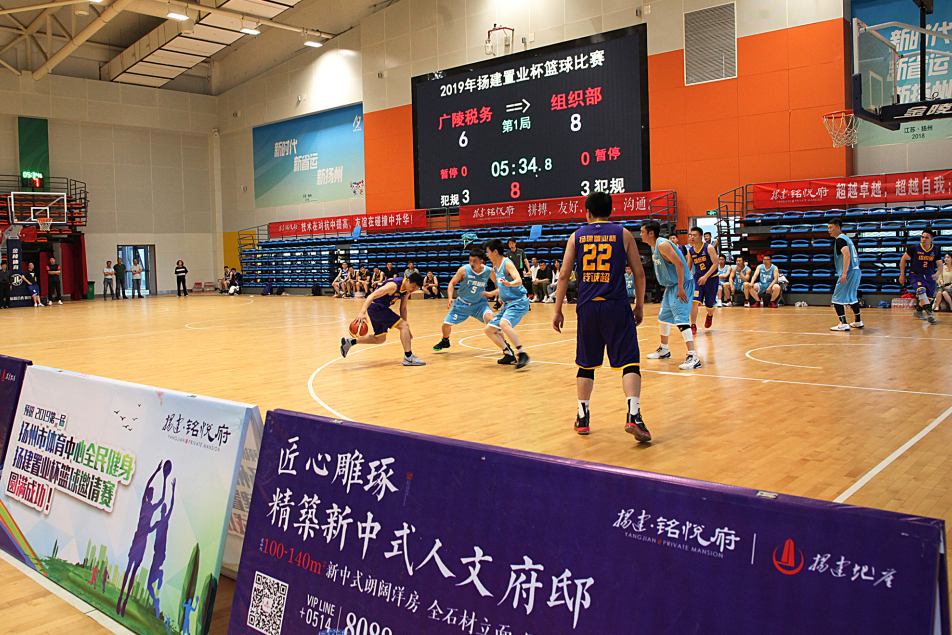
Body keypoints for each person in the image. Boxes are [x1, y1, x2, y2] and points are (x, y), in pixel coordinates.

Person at [553, 191, 651, 441]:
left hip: (587, 307)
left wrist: (557, 309)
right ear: (610, 211)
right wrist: (639, 305)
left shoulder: (576, 236)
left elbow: (563, 275)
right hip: (616, 305)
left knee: (586, 364)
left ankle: (582, 417)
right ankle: (633, 415)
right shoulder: (623, 234)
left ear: (587, 212)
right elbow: (639, 273)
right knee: (630, 361)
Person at [641, 223, 701, 370]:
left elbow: (680, 264)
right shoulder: (654, 246)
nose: (640, 234)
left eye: (642, 232)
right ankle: (664, 349)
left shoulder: (663, 245)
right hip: (672, 285)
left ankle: (693, 357)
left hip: (682, 284)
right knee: (663, 318)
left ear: (651, 233)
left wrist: (680, 287)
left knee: (681, 320)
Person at [340, 272, 426, 366]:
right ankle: (408, 357)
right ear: (408, 281)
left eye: (416, 288)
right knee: (404, 325)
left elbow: (403, 308)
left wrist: (406, 328)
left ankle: (350, 341)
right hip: (376, 308)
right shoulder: (393, 286)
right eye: (413, 286)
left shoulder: (406, 289)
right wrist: (362, 312)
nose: (413, 290)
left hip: (379, 308)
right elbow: (372, 295)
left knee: (380, 339)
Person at [433, 248, 496, 351]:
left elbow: (498, 284)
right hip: (462, 304)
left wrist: (499, 295)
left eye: (474, 261)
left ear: (481, 261)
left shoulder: (489, 271)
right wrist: (450, 298)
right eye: (470, 260)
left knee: (492, 320)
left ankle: (505, 345)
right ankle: (445, 340)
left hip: (479, 304)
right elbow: (452, 283)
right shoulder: (464, 270)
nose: (471, 263)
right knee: (446, 325)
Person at [483, 238, 531, 368]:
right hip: (508, 304)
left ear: (495, 251)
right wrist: (492, 294)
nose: (487, 255)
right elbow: (502, 286)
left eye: (488, 252)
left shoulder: (507, 263)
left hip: (519, 301)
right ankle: (508, 353)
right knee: (489, 329)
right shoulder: (496, 267)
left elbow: (518, 280)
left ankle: (522, 353)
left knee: (503, 323)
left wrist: (510, 284)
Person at [900, 228, 943, 324]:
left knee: (929, 299)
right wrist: (902, 275)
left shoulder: (936, 250)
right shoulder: (914, 248)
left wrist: (937, 274)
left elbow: (940, 264)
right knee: (921, 291)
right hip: (916, 275)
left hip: (929, 276)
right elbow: (903, 259)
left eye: (926, 238)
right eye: (922, 237)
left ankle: (918, 311)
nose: (923, 239)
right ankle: (930, 314)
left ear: (932, 239)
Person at [827, 217, 864, 331]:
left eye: (831, 228)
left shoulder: (840, 240)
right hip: (856, 270)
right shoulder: (847, 238)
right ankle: (858, 321)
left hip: (849, 271)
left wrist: (844, 273)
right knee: (853, 297)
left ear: (838, 228)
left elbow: (847, 254)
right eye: (828, 228)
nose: (829, 230)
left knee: (836, 299)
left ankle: (843, 323)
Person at [688, 227, 719, 332]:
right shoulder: (691, 250)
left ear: (700, 237)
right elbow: (688, 267)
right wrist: (689, 276)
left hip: (711, 279)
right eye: (691, 235)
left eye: (694, 235)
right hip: (698, 279)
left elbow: (715, 263)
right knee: (694, 301)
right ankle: (693, 325)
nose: (692, 237)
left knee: (709, 305)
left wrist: (706, 276)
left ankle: (709, 315)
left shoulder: (709, 248)